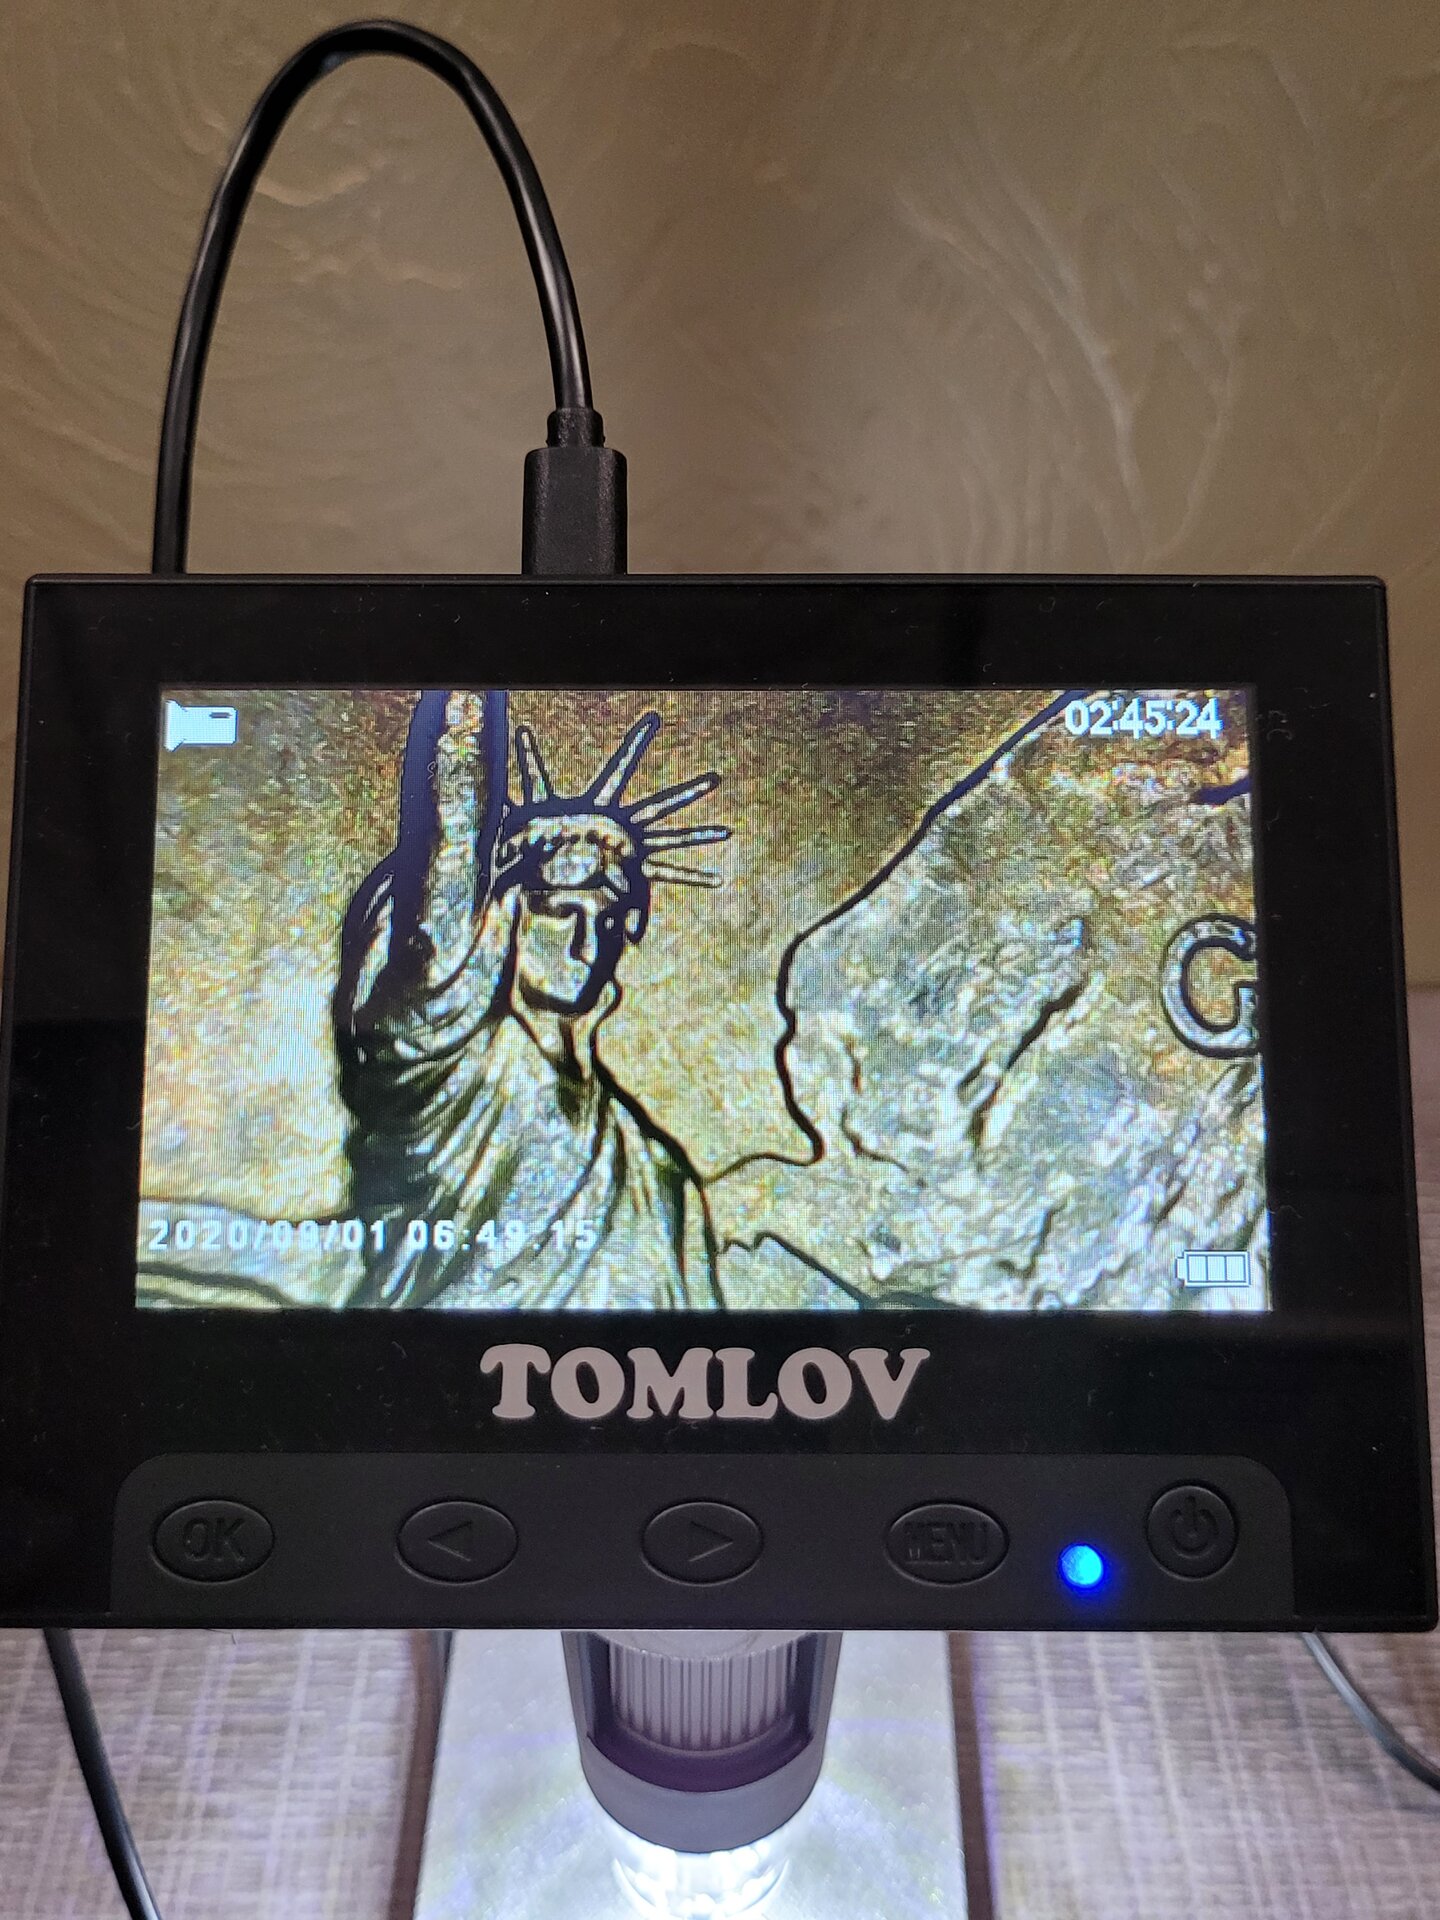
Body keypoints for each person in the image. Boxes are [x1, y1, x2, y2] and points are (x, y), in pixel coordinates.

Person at [334, 689, 729, 1309]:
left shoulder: (659, 1175)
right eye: (563, 911)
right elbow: (447, 860)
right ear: (503, 919)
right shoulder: (445, 1065)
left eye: (606, 920)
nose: (586, 944)